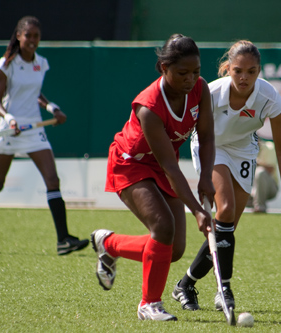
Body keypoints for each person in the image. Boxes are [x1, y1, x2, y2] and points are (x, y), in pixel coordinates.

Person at [90, 34, 215, 322]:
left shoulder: (200, 89)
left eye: (195, 71)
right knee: (162, 225)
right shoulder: (149, 107)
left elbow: (206, 136)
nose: (190, 79)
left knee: (173, 250)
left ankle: (109, 245)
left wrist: (206, 176)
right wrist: (197, 209)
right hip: (129, 163)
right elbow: (171, 168)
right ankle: (150, 305)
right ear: (163, 68)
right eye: (182, 73)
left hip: (159, 166)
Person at [172, 40, 281, 312]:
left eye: (252, 72)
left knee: (224, 228)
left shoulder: (270, 98)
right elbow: (190, 129)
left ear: (259, 71)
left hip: (244, 152)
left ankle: (185, 284)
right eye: (238, 70)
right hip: (210, 146)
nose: (245, 77)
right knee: (225, 208)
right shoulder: (211, 92)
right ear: (228, 69)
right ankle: (224, 290)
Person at [0, 16, 89, 255]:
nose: (33, 40)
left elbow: (36, 94)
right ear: (19, 36)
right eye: (28, 35)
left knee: (52, 179)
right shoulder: (6, 64)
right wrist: (9, 119)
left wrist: (52, 109)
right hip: (9, 127)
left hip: (34, 128)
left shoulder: (41, 63)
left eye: (36, 36)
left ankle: (63, 240)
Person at [248, 139, 279, 213]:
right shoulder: (241, 149)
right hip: (248, 192)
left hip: (270, 188)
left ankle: (260, 207)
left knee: (260, 172)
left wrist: (255, 162)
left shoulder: (269, 147)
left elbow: (270, 169)